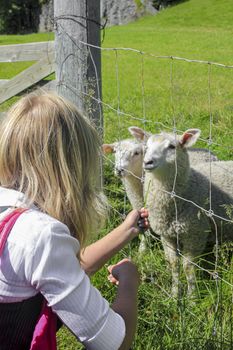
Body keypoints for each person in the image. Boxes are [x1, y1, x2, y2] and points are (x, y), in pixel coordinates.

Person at [0, 91, 149, 350]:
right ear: (72, 164)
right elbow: (114, 343)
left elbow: (54, 267)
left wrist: (127, 230)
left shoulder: (17, 224)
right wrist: (129, 283)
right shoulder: (40, 234)